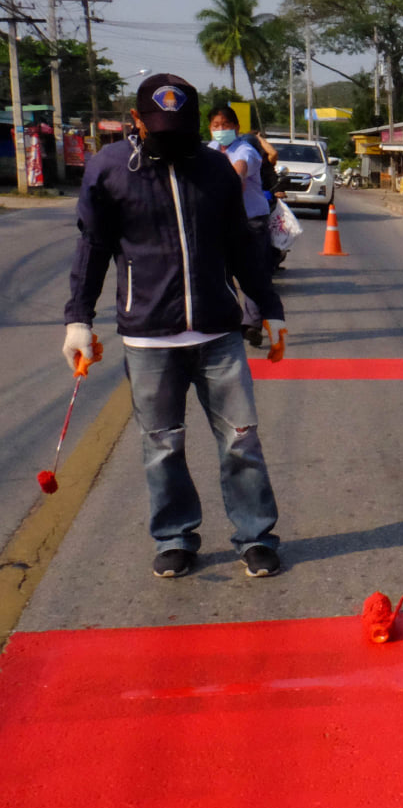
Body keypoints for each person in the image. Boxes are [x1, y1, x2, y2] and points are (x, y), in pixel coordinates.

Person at [64, 75, 289, 579]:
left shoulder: (214, 169)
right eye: (161, 130)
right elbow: (91, 249)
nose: (174, 141)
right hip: (148, 338)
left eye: (183, 130)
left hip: (218, 334)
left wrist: (270, 308)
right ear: (137, 123)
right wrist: (78, 320)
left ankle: (255, 535)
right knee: (162, 445)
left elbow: (241, 247)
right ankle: (175, 536)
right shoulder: (109, 171)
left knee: (242, 440)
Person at [208, 104, 275, 344]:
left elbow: (238, 174)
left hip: (251, 219)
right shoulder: (211, 149)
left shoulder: (245, 149)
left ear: (236, 127)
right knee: (221, 272)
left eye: (225, 125)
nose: (221, 129)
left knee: (252, 271)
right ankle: (231, 317)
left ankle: (252, 323)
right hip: (222, 220)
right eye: (216, 126)